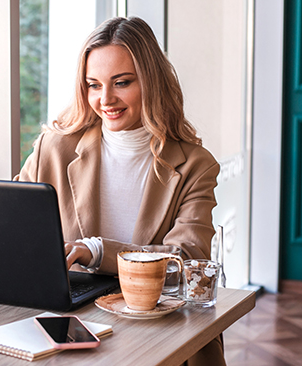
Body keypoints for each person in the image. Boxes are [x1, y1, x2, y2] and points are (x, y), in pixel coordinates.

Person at [16, 17, 224, 365]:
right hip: (69, 326)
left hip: (158, 333)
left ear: (151, 82)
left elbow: (183, 259)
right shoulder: (52, 149)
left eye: (122, 82)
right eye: (93, 85)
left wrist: (97, 250)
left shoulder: (195, 165)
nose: (105, 99)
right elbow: (9, 225)